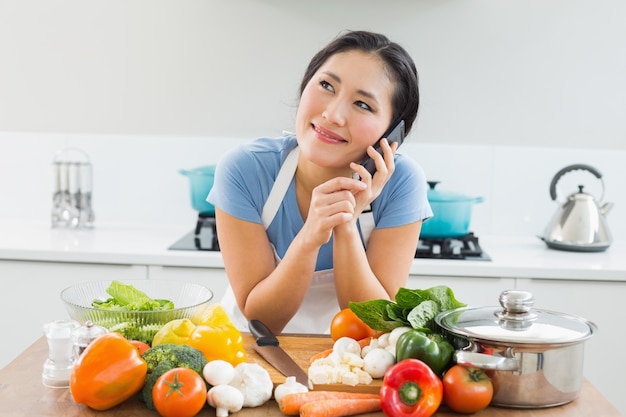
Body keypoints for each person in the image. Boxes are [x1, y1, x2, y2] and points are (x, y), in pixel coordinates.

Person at [207, 30, 432, 335]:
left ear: (391, 133)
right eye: (326, 85)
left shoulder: (402, 182)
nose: (332, 114)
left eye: (363, 105)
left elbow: (377, 327)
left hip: (350, 364)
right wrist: (311, 235)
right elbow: (261, 321)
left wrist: (346, 223)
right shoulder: (245, 169)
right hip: (249, 357)